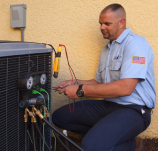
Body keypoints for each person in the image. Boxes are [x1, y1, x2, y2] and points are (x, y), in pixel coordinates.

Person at [52, 3, 156, 151]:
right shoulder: (107, 50)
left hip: (135, 110)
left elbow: (126, 88)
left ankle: (132, 145)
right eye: (100, 23)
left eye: (107, 23)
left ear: (122, 23)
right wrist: (74, 82)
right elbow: (98, 82)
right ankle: (106, 139)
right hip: (109, 106)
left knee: (90, 147)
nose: (101, 27)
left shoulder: (136, 44)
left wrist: (81, 90)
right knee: (59, 117)